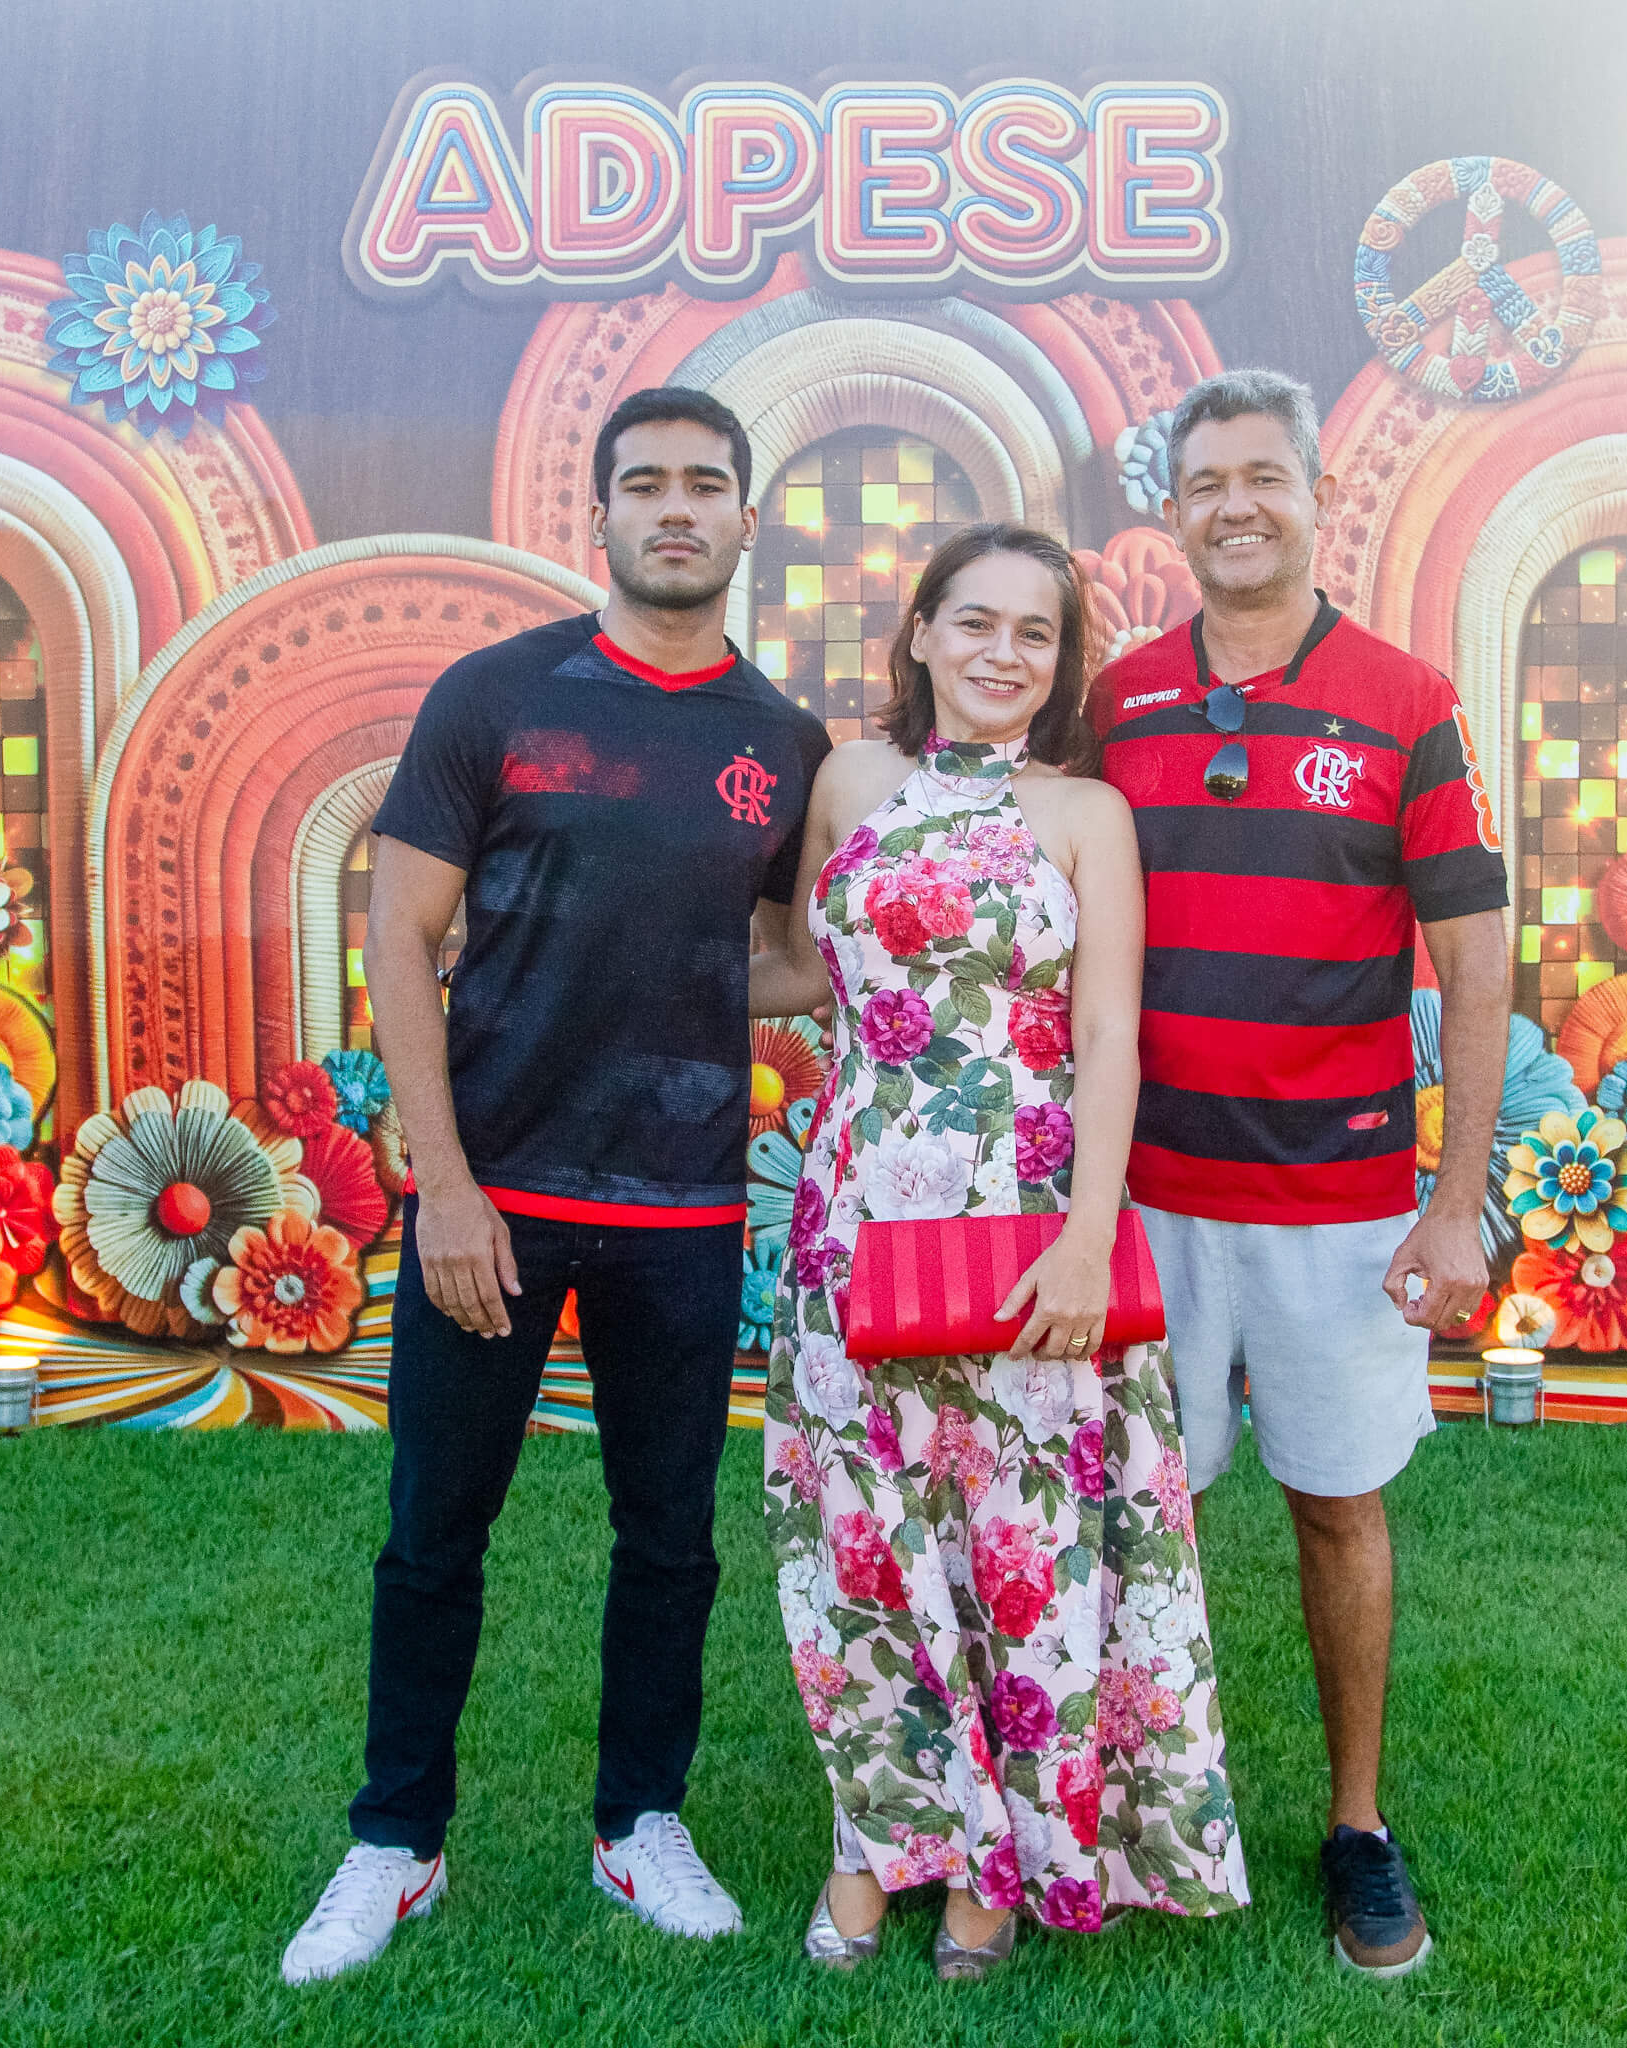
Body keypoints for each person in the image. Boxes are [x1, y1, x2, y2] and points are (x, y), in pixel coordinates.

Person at [281, 387, 831, 1984]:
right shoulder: (498, 695)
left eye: (706, 485)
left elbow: (795, 958)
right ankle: (397, 1844)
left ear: (745, 520)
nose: (677, 508)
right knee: (433, 1535)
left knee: (670, 1539)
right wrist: (447, 1188)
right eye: (645, 484)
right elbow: (400, 938)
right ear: (600, 516)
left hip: (684, 1207)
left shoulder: (781, 743)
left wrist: (709, 979)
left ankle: (638, 1823)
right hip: (497, 1200)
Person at [750, 523, 1249, 1983]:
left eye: (1036, 633)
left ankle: (998, 1863)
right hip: (856, 1217)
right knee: (865, 1538)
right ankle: (876, 1837)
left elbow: (1108, 1034)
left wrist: (1092, 1239)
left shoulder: (1087, 812)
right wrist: (600, 959)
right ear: (919, 632)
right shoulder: (850, 779)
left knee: (1017, 1545)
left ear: (1061, 662)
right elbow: (805, 968)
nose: (1001, 653)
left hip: (1029, 1221)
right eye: (974, 621)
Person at [1090, 368, 1511, 1978]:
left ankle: (1356, 1828)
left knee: (1337, 1509)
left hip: (1338, 1205)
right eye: (1207, 482)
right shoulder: (1118, 700)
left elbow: (1475, 965)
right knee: (1151, 1517)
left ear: (1319, 498)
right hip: (1147, 1201)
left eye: (1264, 476)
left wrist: (1454, 1202)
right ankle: (1148, 1799)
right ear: (1173, 511)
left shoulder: (1406, 699)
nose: (1236, 506)